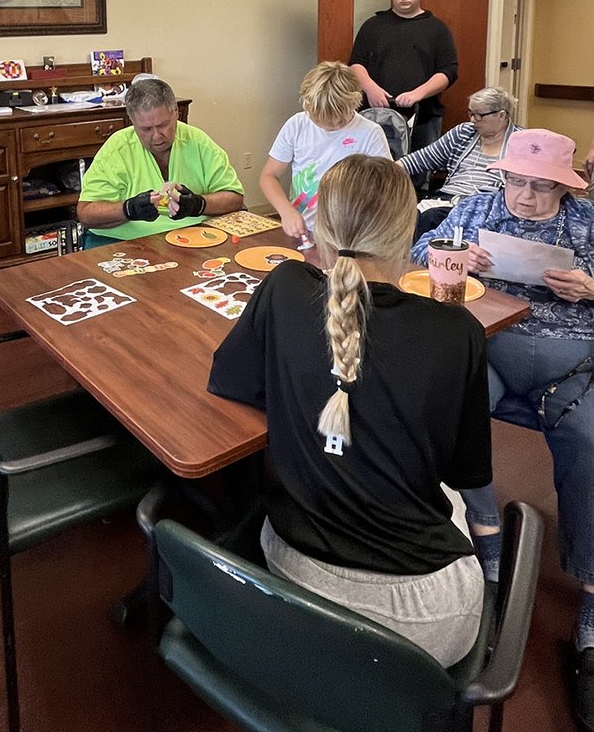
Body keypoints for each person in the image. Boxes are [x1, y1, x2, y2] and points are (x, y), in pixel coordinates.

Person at [208, 156, 492, 666]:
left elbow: (231, 380)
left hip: (293, 581)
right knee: (455, 498)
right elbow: (463, 470)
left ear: (320, 224)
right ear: (410, 229)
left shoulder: (283, 288)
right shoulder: (457, 331)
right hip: (422, 627)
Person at [413, 129, 594, 729]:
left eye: (540, 188)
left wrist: (593, 290)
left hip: (568, 362)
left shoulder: (588, 222)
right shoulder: (481, 204)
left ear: (565, 186)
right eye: (517, 182)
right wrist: (458, 257)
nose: (524, 197)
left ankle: (590, 597)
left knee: (591, 448)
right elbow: (425, 250)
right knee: (442, 413)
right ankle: (486, 533)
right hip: (488, 349)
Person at [76, 76, 244, 245]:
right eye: (146, 129)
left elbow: (235, 198)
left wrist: (198, 204)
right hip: (124, 241)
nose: (157, 136)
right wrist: (129, 209)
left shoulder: (198, 142)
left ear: (176, 113)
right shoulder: (117, 149)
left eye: (163, 125)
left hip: (191, 239)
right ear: (132, 121)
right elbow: (86, 214)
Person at [259, 61, 390, 243]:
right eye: (318, 119)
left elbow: (388, 188)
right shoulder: (297, 125)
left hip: (350, 234)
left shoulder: (370, 133)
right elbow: (269, 176)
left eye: (336, 121)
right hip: (304, 231)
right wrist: (286, 211)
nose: (328, 125)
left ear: (353, 104)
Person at [349, 0, 458, 154]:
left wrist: (417, 94)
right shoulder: (373, 26)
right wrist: (371, 89)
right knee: (370, 172)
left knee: (417, 174)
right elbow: (355, 63)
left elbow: (448, 71)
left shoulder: (437, 29)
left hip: (423, 116)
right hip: (374, 114)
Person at [399, 86, 522, 236]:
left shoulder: (521, 142)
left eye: (479, 115)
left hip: (485, 206)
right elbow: (422, 158)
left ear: (501, 115)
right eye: (471, 113)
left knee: (431, 218)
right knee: (406, 216)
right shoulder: (464, 133)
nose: (472, 120)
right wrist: (389, 169)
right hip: (446, 198)